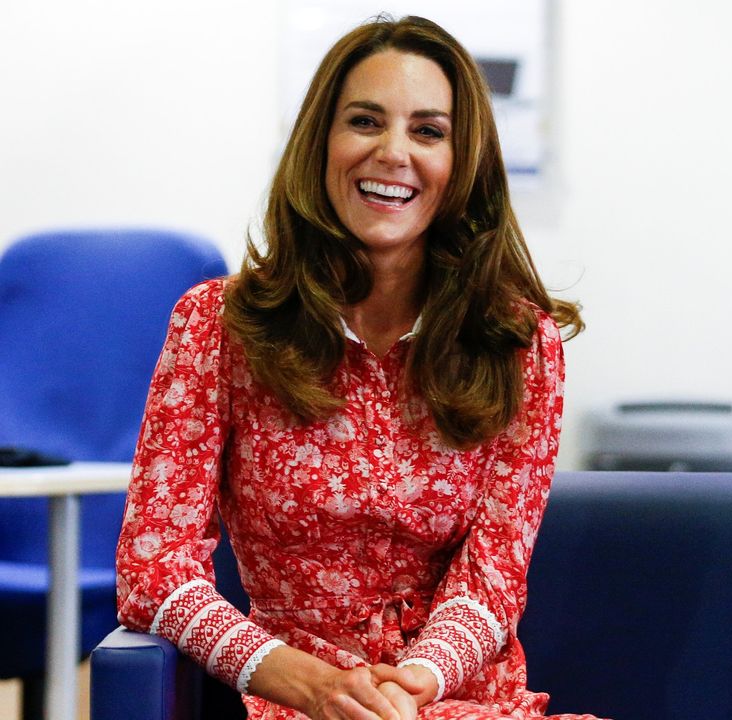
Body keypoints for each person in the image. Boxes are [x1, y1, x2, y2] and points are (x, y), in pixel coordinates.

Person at [116, 15, 601, 720]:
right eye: (365, 121)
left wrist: (412, 685)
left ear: (462, 164)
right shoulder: (216, 327)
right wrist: (299, 680)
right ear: (322, 142)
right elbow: (153, 568)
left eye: (428, 131)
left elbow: (493, 576)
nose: (393, 152)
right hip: (292, 703)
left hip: (455, 700)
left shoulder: (520, 341)